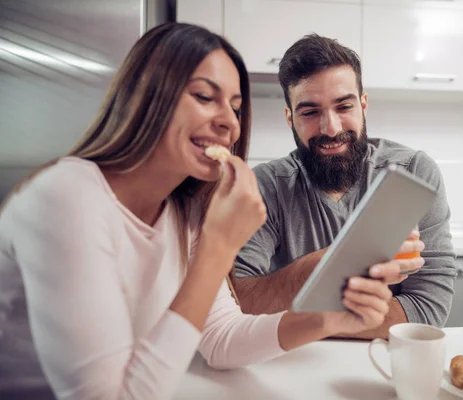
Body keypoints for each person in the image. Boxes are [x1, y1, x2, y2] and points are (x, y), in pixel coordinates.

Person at [0, 24, 405, 399]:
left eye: (234, 106)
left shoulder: (183, 209)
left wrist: (325, 320)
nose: (230, 122)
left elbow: (220, 337)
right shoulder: (68, 196)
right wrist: (218, 249)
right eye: (204, 97)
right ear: (147, 97)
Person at [233, 34, 457, 339]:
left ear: (363, 105)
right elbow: (238, 302)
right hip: (293, 360)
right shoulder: (266, 186)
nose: (331, 128)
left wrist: (308, 309)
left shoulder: (415, 173)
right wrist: (321, 268)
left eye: (344, 106)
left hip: (382, 362)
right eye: (310, 112)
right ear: (290, 118)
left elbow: (428, 311)